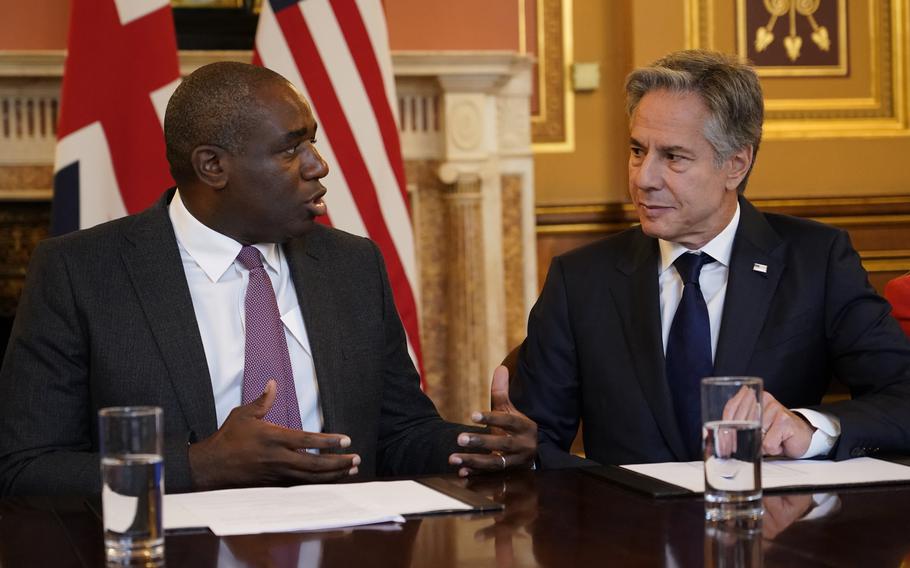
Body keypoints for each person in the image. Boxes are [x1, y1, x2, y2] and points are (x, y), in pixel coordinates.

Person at [0, 62, 536, 496]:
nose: (318, 166)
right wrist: (198, 467)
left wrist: (473, 445)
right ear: (213, 166)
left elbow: (397, 432)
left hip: (347, 543)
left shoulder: (352, 264)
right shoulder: (82, 272)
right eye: (290, 149)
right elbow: (24, 468)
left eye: (313, 144)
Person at [511, 49, 910, 468]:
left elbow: (903, 396)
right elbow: (535, 446)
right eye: (636, 150)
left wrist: (809, 429)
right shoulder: (580, 279)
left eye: (673, 157)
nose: (643, 179)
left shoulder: (816, 262)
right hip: (625, 528)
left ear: (735, 164)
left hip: (772, 526)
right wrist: (521, 448)